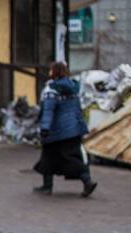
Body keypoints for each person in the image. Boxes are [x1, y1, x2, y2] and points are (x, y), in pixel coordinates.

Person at [34, 62, 98, 197]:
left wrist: (45, 128)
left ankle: (49, 187)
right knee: (72, 157)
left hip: (56, 131)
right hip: (73, 130)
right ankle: (86, 181)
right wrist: (79, 126)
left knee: (49, 157)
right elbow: (77, 109)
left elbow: (48, 110)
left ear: (54, 72)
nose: (49, 72)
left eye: (51, 70)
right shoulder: (73, 87)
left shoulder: (51, 89)